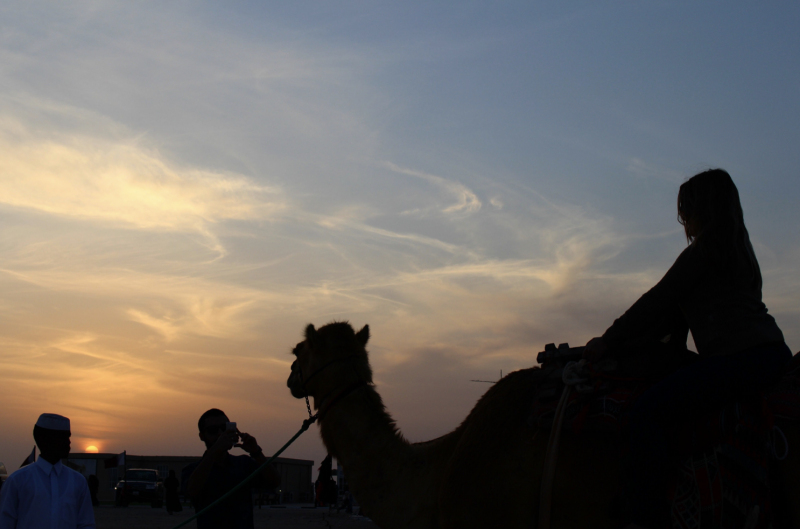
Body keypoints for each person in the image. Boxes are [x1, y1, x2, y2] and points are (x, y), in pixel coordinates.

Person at [583, 169, 790, 529]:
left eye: (688, 213)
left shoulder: (703, 252)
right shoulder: (741, 250)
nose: (686, 224)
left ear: (702, 211)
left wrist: (608, 340)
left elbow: (657, 301)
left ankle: (647, 516)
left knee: (646, 412)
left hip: (737, 361)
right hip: (771, 354)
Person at [183, 409, 280, 529]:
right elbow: (192, 490)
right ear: (202, 436)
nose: (220, 434)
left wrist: (256, 452)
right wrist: (215, 450)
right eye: (213, 430)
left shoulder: (244, 463)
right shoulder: (192, 470)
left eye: (224, 429)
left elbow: (274, 482)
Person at [0, 414, 95, 529]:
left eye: (68, 437)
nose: (68, 442)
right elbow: (5, 522)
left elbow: (86, 523)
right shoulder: (17, 481)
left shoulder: (78, 482)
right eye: (62, 437)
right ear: (44, 439)